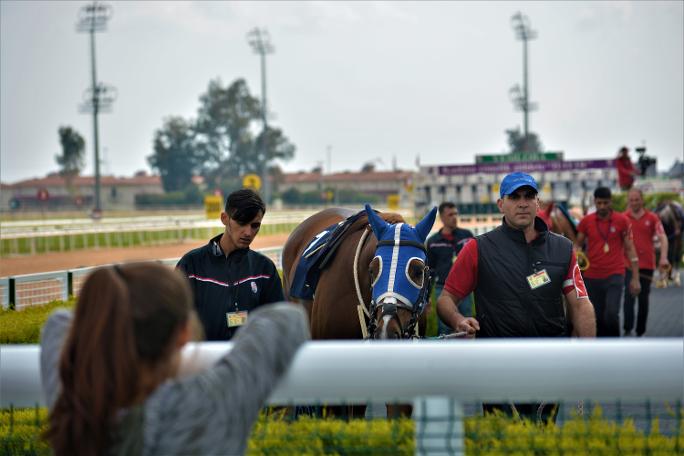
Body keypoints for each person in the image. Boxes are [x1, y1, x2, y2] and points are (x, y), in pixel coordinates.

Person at [40, 262, 309, 456]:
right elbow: (288, 318)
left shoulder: (75, 391)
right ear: (181, 335)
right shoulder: (210, 399)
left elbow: (58, 323)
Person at [437, 172, 596, 422]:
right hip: (496, 363)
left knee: (542, 437)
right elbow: (446, 299)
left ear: (538, 203)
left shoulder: (563, 248)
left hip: (549, 361)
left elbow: (580, 303)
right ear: (501, 204)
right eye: (514, 197)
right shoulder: (477, 248)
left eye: (529, 196)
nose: (522, 203)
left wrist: (587, 355)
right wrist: (458, 321)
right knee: (502, 440)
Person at [177, 189, 285, 340]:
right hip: (203, 359)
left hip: (248, 359)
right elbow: (175, 320)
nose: (248, 232)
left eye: (255, 225)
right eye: (242, 222)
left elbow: (278, 324)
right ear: (224, 218)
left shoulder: (265, 269)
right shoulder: (191, 264)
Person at [575, 187, 640, 337]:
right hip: (591, 276)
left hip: (615, 275)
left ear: (611, 202)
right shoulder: (586, 221)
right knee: (597, 317)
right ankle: (601, 353)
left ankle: (615, 347)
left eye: (605, 203)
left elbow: (630, 249)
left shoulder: (623, 221)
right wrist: (577, 255)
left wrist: (636, 278)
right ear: (594, 202)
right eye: (599, 203)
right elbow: (577, 244)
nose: (602, 206)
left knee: (611, 314)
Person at [622, 189, 669, 337]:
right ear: (628, 201)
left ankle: (640, 332)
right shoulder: (623, 218)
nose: (634, 202)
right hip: (628, 265)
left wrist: (663, 257)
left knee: (643, 300)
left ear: (642, 200)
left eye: (637, 199)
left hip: (647, 265)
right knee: (628, 298)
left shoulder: (653, 217)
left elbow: (663, 237)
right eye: (632, 200)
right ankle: (628, 329)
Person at [426, 202, 475, 335]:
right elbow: (430, 270)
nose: (454, 217)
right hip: (442, 289)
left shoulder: (467, 236)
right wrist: (427, 297)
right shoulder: (433, 241)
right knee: (445, 328)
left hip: (464, 289)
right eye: (450, 215)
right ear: (442, 217)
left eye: (455, 214)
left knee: (468, 325)